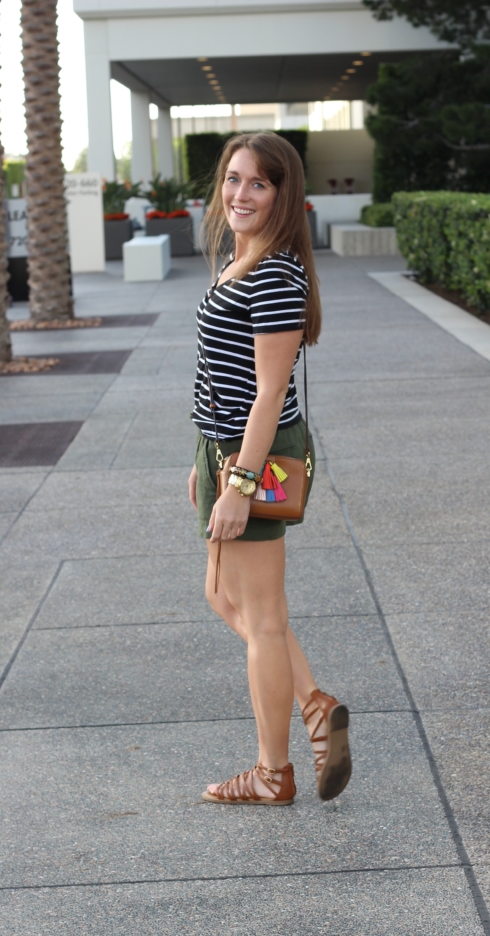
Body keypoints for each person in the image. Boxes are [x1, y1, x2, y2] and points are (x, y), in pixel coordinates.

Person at [188, 131, 351, 806]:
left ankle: (271, 771)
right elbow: (220, 376)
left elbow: (266, 390)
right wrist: (204, 461)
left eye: (259, 183)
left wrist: (239, 483)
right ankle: (313, 703)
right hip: (222, 448)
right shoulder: (238, 260)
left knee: (258, 618)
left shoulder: (276, 274)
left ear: (284, 195)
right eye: (233, 179)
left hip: (250, 457)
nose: (240, 194)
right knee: (228, 599)